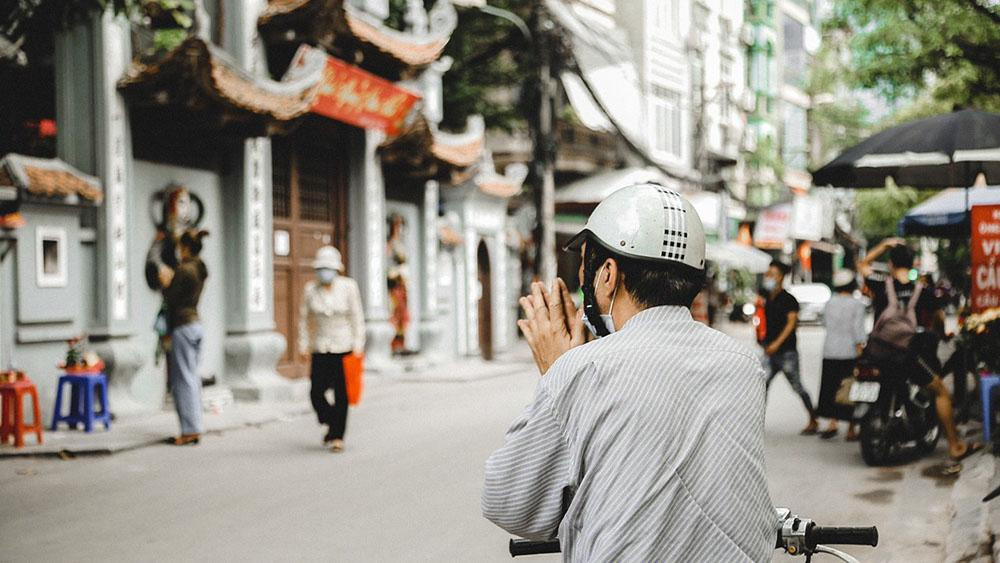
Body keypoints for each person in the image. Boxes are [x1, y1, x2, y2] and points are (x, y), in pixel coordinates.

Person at [482, 183, 775, 561]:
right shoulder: (743, 366)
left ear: (607, 274)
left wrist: (559, 375)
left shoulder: (584, 371)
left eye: (585, 265)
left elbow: (509, 504)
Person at [858, 238, 977, 461]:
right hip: (906, 357)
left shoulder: (881, 284)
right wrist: (943, 334)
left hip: (877, 354)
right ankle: (955, 446)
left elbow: (862, 264)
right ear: (913, 264)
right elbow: (938, 319)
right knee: (940, 391)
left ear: (891, 264)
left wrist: (884, 245)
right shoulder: (922, 291)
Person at [298, 245, 365, 453]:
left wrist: (358, 345)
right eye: (321, 268)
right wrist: (303, 345)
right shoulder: (310, 289)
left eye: (328, 268)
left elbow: (356, 317)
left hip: (344, 347)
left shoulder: (348, 287)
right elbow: (304, 319)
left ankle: (337, 436)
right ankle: (330, 420)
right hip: (320, 347)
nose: (324, 272)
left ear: (337, 269)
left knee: (342, 395)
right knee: (316, 393)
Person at [158, 228, 209, 446]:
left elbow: (171, 299)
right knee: (192, 378)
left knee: (183, 380)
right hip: (196, 325)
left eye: (180, 247)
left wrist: (165, 283)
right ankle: (194, 427)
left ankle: (190, 430)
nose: (179, 251)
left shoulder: (184, 270)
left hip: (183, 326)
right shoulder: (200, 268)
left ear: (186, 248)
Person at [761, 260, 819, 435]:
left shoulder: (789, 300)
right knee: (761, 385)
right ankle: (756, 421)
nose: (768, 277)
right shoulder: (768, 298)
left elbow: (791, 324)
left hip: (787, 352)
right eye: (768, 274)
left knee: (797, 387)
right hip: (770, 352)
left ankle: (813, 418)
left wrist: (777, 343)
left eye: (772, 274)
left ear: (781, 277)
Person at [816, 270, 866, 440]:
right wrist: (861, 352)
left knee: (831, 387)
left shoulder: (829, 303)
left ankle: (833, 423)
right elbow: (858, 330)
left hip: (830, 350)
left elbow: (824, 323)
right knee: (850, 388)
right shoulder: (857, 305)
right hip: (849, 352)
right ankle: (851, 428)